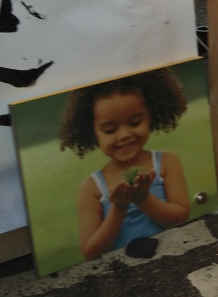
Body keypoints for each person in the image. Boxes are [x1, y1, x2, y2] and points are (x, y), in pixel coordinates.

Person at [60, 69, 191, 259]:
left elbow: (181, 217)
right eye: (110, 130)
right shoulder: (91, 188)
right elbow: (90, 251)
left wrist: (142, 198)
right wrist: (119, 208)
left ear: (150, 116)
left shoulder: (167, 161)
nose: (124, 135)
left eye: (135, 122)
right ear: (92, 132)